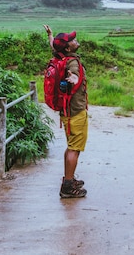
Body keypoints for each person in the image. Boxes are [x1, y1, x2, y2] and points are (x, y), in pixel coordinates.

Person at [44, 25, 89, 198]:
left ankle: (68, 179)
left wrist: (50, 36)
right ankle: (68, 188)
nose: (76, 40)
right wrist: (73, 78)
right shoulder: (72, 62)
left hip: (66, 110)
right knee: (74, 148)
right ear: (68, 48)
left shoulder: (59, 58)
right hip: (75, 111)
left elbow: (55, 47)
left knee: (71, 146)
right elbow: (76, 76)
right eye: (72, 40)